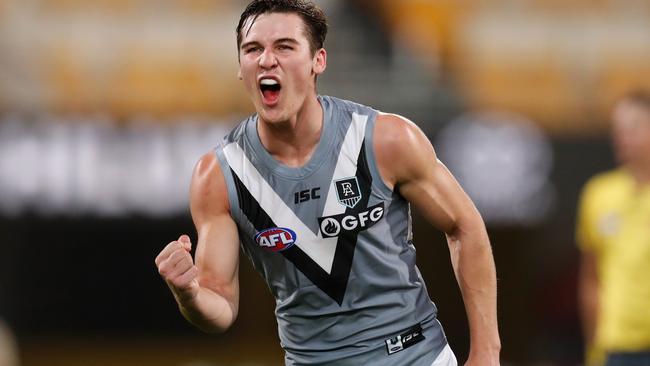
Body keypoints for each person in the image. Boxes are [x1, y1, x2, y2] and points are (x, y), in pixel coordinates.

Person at [155, 1, 500, 364]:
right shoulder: (219, 176)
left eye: (285, 47)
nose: (266, 60)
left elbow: (464, 224)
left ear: (318, 60)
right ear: (241, 68)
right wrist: (189, 294)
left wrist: (487, 351)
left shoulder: (385, 139)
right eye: (252, 49)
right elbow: (220, 305)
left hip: (415, 356)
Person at [577, 89, 650, 366]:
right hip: (615, 347)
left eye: (631, 128)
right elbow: (590, 279)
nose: (620, 137)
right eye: (617, 129)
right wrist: (594, 349)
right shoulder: (599, 194)